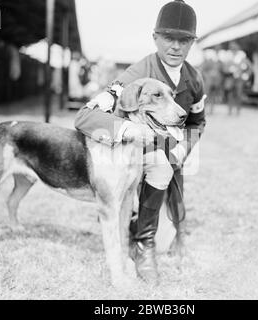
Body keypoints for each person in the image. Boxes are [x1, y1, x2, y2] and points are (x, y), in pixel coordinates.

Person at [74, 0, 206, 284]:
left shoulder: (195, 79)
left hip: (171, 155)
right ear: (155, 38)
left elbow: (197, 122)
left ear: (192, 43)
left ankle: (145, 233)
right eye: (168, 37)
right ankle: (141, 243)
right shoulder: (135, 75)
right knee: (159, 166)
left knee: (172, 229)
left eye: (184, 40)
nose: (175, 46)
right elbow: (84, 117)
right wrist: (125, 130)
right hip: (132, 153)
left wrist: (183, 148)